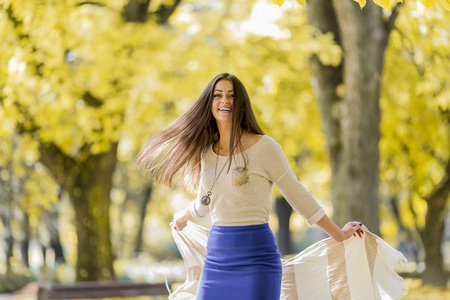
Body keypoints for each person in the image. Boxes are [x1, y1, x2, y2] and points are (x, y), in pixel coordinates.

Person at [136, 73, 363, 300]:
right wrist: (182, 216)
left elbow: (297, 195)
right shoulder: (207, 153)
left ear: (241, 103)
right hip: (216, 262)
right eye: (218, 95)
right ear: (210, 103)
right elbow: (205, 202)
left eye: (231, 96)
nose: (225, 100)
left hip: (257, 262)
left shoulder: (265, 148)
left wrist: (339, 234)